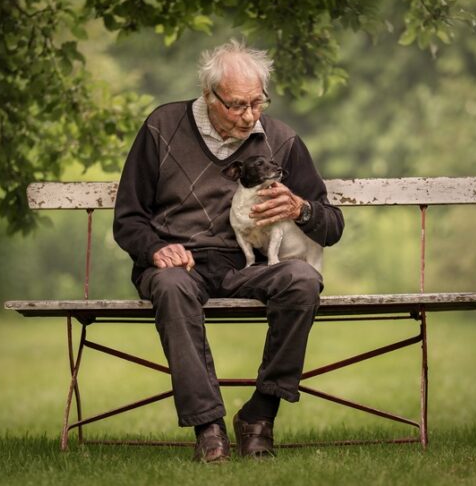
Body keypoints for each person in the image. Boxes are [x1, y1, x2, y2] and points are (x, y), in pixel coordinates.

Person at [112, 39, 344, 462]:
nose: (250, 116)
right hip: (180, 265)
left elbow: (331, 226)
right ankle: (208, 427)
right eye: (237, 105)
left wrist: (301, 208)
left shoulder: (281, 140)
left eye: (258, 102)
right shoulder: (162, 126)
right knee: (170, 286)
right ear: (209, 95)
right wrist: (155, 250)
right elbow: (128, 218)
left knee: (303, 280)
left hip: (248, 266)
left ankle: (259, 416)